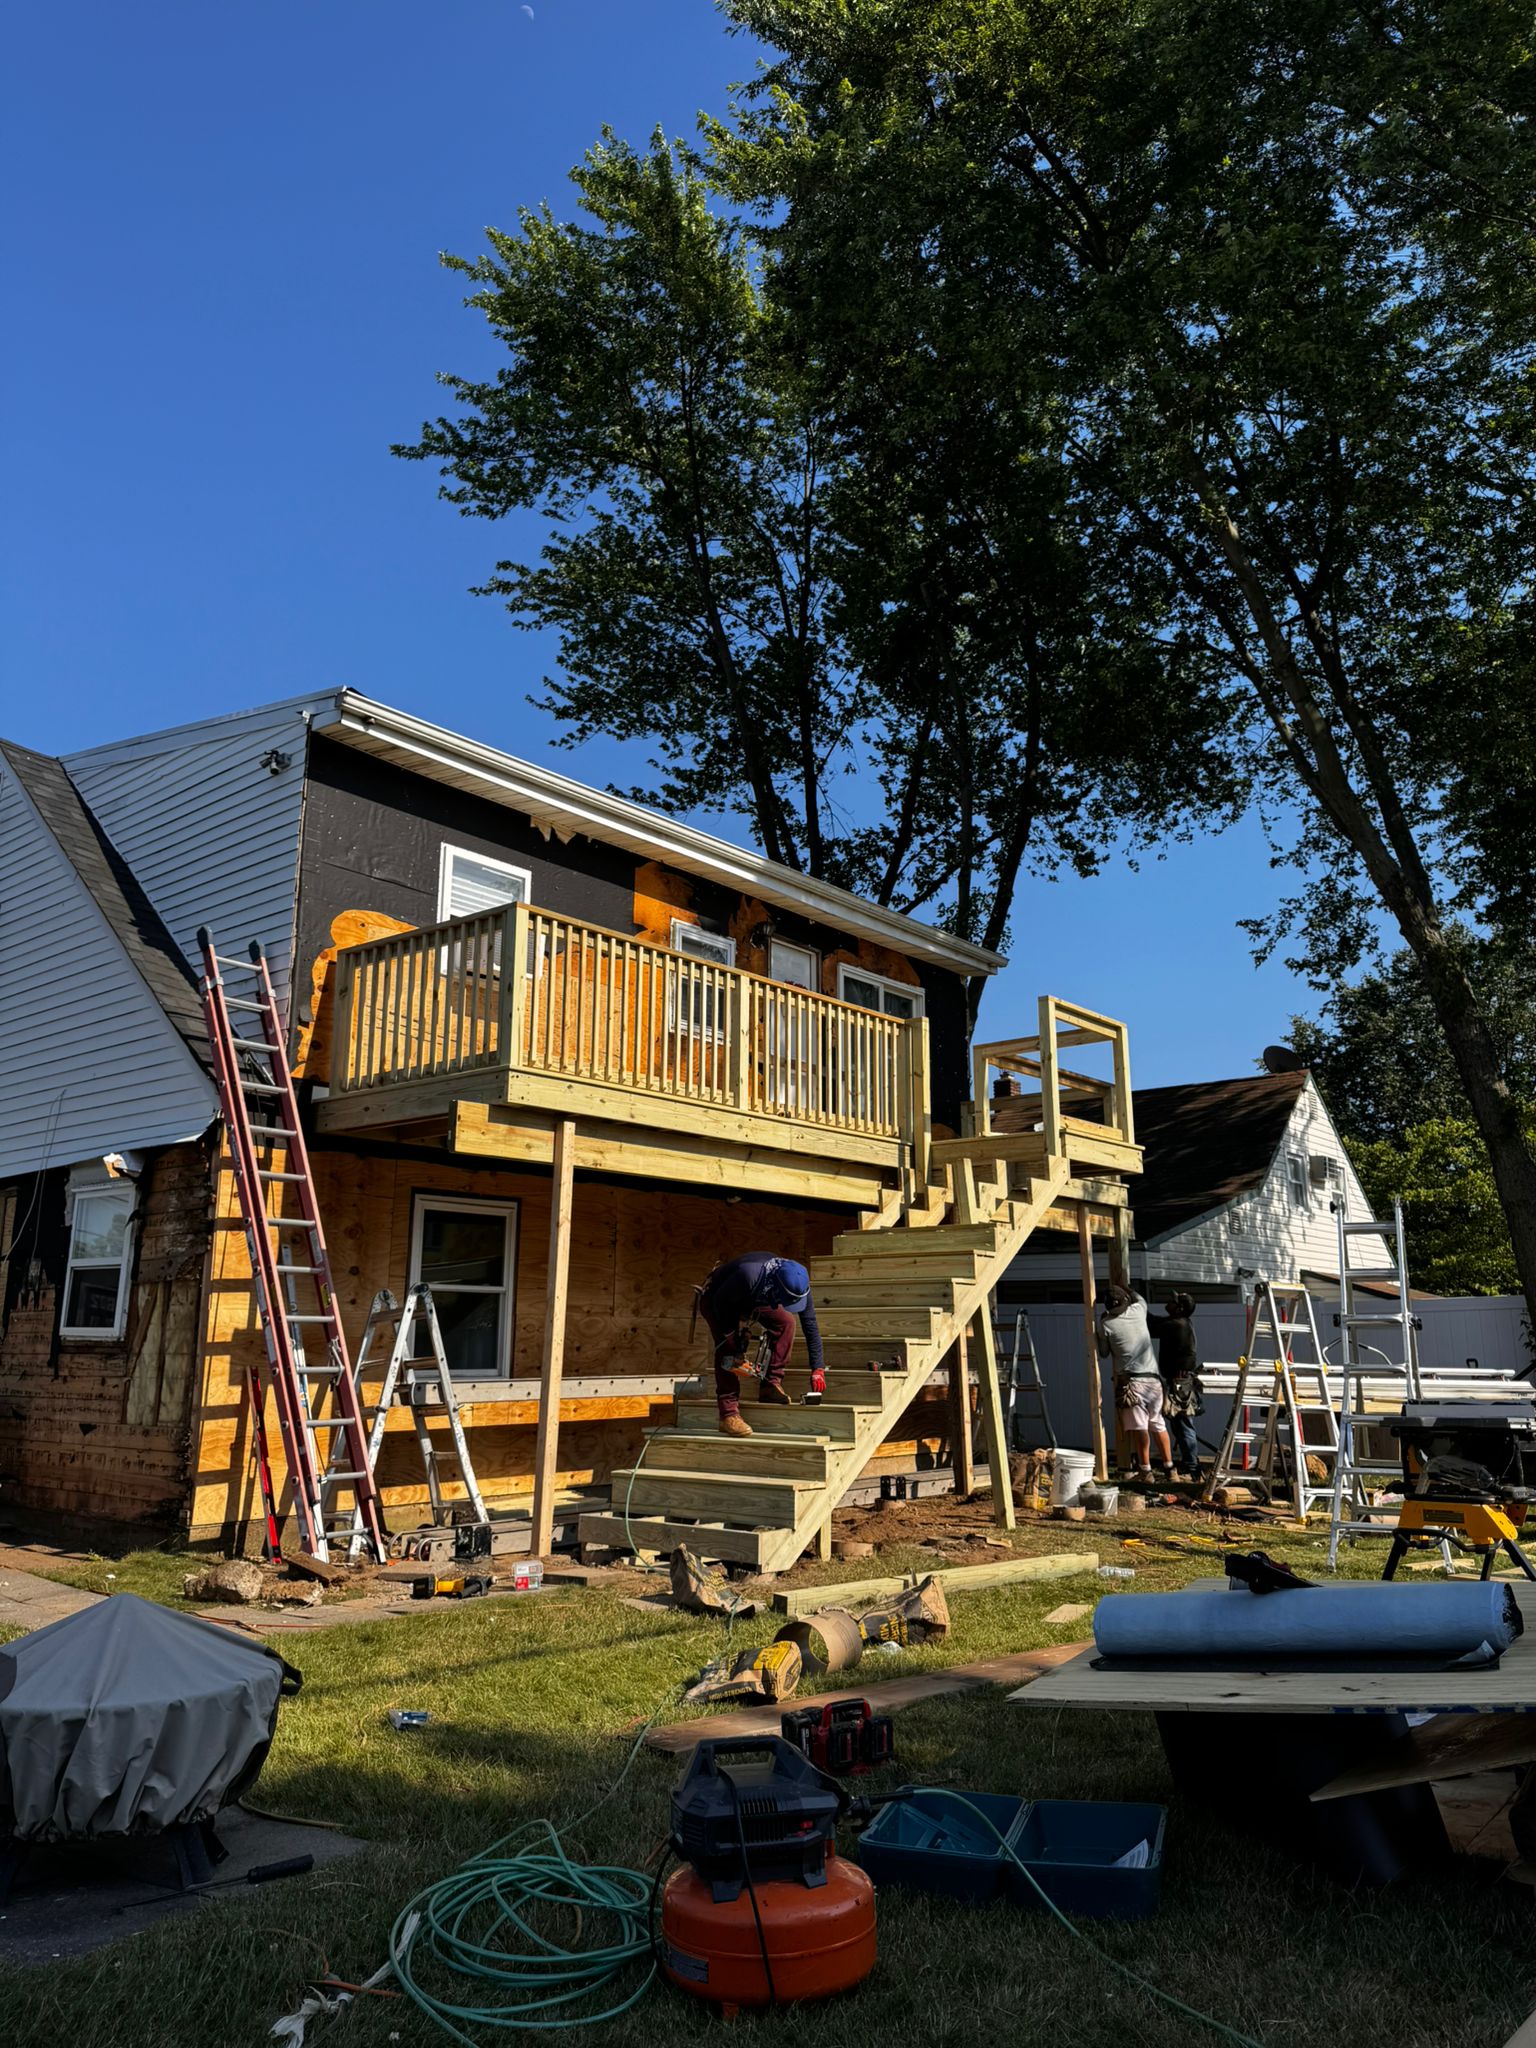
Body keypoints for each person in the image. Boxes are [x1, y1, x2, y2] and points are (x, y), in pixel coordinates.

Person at [695, 1253, 824, 1438]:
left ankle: (770, 1385)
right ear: (777, 1286)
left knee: (786, 1322)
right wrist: (733, 1339)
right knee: (728, 1352)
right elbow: (720, 1304)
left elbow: (810, 1324)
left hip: (755, 1296)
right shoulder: (748, 1275)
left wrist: (818, 1367)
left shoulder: (799, 1283)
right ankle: (728, 1414)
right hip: (718, 1297)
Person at [1096, 1281, 1175, 1483]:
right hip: (1155, 1381)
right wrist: (1128, 1288)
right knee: (1158, 1424)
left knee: (1141, 1428)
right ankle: (1170, 1469)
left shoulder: (1106, 1324)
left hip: (1132, 1383)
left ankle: (1146, 1471)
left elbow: (1104, 1354)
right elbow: (1139, 1298)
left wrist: (1101, 1332)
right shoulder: (1139, 1309)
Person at [1148, 1291, 1203, 1480]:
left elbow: (1152, 1325)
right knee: (1180, 1426)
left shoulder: (1176, 1325)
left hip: (1180, 1383)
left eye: (1173, 1301)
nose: (1168, 1302)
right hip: (1181, 1381)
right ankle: (1190, 1466)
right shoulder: (1180, 1323)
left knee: (1184, 1425)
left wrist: (1138, 1306)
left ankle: (1192, 1469)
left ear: (1179, 1308)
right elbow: (1156, 1322)